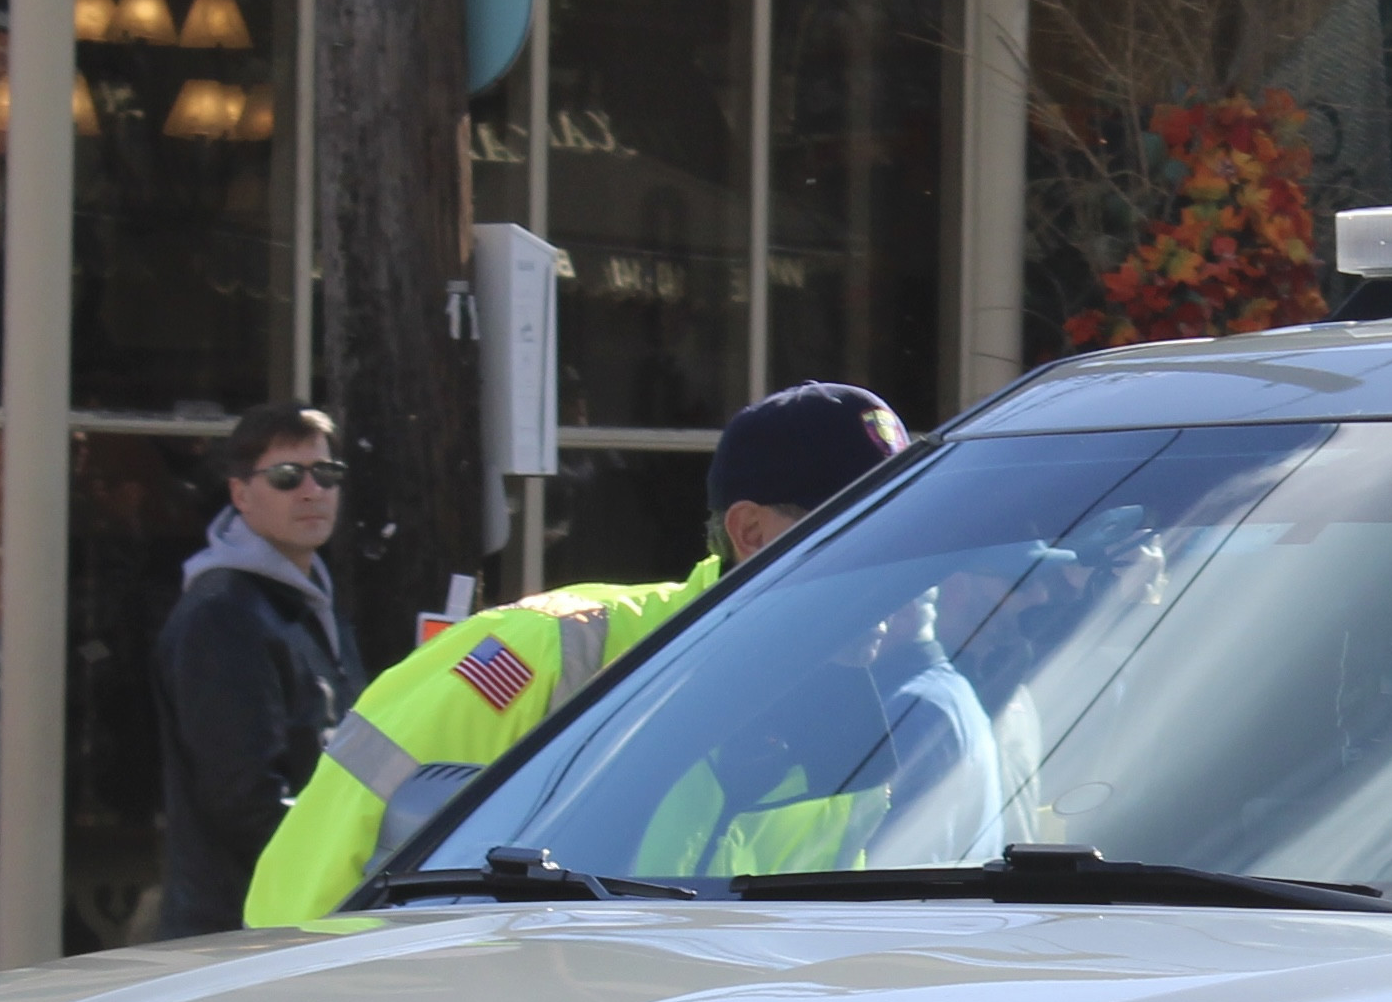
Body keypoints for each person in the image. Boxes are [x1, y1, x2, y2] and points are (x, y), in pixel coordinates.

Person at [242, 379, 908, 925]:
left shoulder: (855, 744)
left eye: (915, 537)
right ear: (751, 533)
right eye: (863, 535)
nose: (899, 575)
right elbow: (303, 901)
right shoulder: (540, 655)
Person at [154, 405, 365, 938]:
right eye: (287, 477)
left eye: (327, 474)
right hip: (239, 927)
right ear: (240, 494)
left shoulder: (311, 602)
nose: (312, 491)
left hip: (297, 917)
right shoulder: (222, 614)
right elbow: (243, 798)